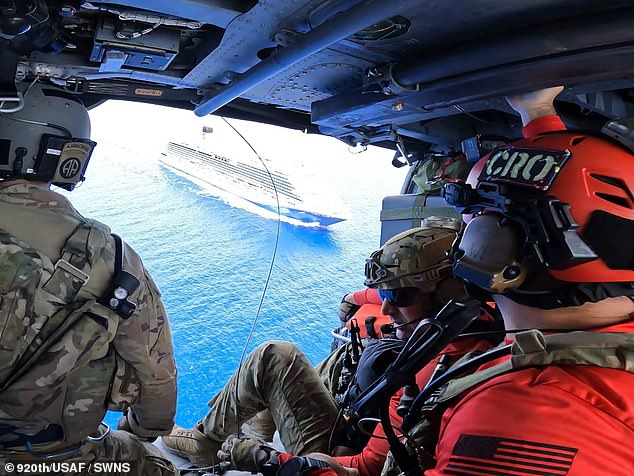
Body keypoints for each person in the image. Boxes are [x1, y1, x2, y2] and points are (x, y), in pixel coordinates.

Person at [376, 86, 634, 476]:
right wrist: (536, 111)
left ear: (495, 253)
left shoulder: (522, 415)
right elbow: (569, 188)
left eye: (469, 226)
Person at [162, 220, 497, 475]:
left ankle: (203, 442)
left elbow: (364, 469)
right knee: (323, 366)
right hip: (354, 427)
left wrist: (267, 459)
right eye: (386, 296)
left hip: (335, 457)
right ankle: (242, 429)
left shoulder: (433, 374)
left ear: (447, 295)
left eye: (398, 297)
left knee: (275, 357)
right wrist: (357, 298)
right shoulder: (484, 323)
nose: (386, 309)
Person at [0, 82, 178, 475]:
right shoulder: (113, 258)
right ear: (67, 156)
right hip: (44, 455)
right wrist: (146, 428)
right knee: (157, 465)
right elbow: (156, 373)